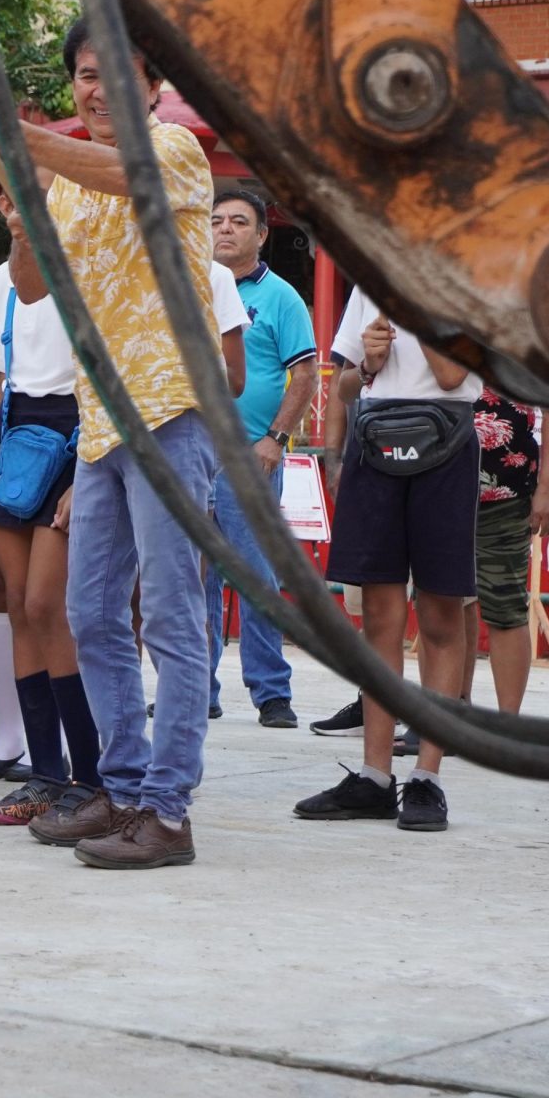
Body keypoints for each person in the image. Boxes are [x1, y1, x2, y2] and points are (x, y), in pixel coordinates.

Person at [0, 22, 221, 872]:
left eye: (116, 75)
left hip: (174, 407)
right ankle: (123, 783)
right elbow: (33, 284)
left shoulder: (175, 149)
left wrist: (14, 135)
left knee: (173, 617)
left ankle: (169, 811)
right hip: (100, 418)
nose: (97, 90)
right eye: (83, 75)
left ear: (151, 86)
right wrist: (15, 186)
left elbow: (119, 172)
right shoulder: (66, 178)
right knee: (90, 613)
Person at [294, 288, 480, 833]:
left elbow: (451, 377)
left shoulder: (476, 284)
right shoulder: (370, 284)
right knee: (379, 614)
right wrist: (370, 363)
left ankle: (427, 777)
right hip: (377, 439)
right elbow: (347, 385)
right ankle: (375, 777)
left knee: (443, 611)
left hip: (446, 437)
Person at [0, 189, 96, 827]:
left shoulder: (96, 259)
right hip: (15, 432)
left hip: (79, 431)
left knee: (50, 605)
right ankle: (44, 776)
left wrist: (87, 477)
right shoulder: (5, 275)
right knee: (18, 606)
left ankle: (90, 774)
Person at [203, 187, 316, 728]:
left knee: (255, 574)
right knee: (190, 577)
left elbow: (306, 374)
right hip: (191, 451)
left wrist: (275, 437)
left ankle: (271, 692)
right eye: (217, 221)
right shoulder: (193, 289)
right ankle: (196, 688)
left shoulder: (281, 298)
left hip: (251, 456)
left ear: (261, 234)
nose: (225, 230)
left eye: (239, 222)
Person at [463, 389, 549, 716]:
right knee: (439, 602)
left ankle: (508, 724)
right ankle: (447, 713)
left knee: (505, 603)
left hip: (506, 484)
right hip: (433, 475)